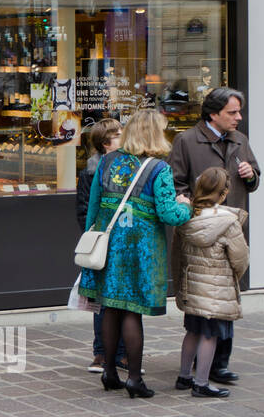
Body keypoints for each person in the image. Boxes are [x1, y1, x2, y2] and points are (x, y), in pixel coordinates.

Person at [78, 110, 192, 397]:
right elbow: (169, 215)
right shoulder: (159, 169)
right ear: (155, 134)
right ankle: (135, 380)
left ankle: (109, 372)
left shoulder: (107, 161)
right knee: (132, 311)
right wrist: (186, 205)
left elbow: (94, 206)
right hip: (140, 249)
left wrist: (92, 236)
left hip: (108, 245)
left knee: (110, 306)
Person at [168, 87, 260, 386]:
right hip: (201, 233)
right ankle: (198, 365)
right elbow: (175, 184)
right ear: (213, 113)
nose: (238, 118)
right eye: (232, 112)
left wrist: (251, 174)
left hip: (232, 229)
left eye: (239, 112)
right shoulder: (186, 140)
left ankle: (220, 363)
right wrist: (193, 208)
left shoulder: (239, 139)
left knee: (227, 294)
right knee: (202, 297)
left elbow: (255, 178)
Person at [174, 167, 248, 398]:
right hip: (216, 288)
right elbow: (240, 258)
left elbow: (177, 254)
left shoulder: (186, 217)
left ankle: (184, 376)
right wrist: (235, 276)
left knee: (193, 331)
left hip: (193, 286)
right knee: (210, 335)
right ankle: (202, 383)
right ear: (223, 194)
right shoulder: (228, 222)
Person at [77, 118, 127, 374]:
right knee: (102, 300)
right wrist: (94, 235)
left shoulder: (129, 166)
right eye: (119, 135)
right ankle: (102, 352)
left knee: (122, 297)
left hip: (125, 239)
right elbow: (84, 209)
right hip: (103, 240)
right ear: (106, 142)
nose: (124, 138)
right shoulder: (91, 170)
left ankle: (122, 352)